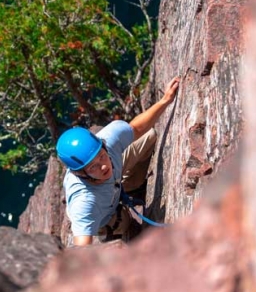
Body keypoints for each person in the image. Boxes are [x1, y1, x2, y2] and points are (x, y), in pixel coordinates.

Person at [56, 77, 181, 246]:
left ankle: (133, 186)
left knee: (148, 136)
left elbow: (137, 128)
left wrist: (166, 100)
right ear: (81, 174)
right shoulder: (85, 202)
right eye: (93, 167)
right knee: (126, 226)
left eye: (101, 156)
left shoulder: (109, 140)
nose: (103, 165)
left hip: (117, 181)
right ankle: (111, 229)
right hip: (106, 213)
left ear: (103, 146)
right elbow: (81, 248)